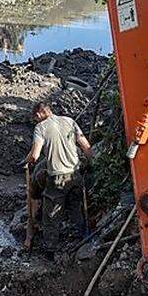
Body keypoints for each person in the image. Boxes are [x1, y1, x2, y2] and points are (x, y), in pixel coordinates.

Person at [24, 101, 93, 252]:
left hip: (57, 177)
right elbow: (86, 147)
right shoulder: (70, 121)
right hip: (75, 174)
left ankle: (51, 248)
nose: (36, 121)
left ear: (38, 114)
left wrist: (26, 161)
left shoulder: (41, 127)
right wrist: (91, 165)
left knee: (51, 215)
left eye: (35, 118)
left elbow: (35, 155)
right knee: (75, 207)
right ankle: (82, 237)